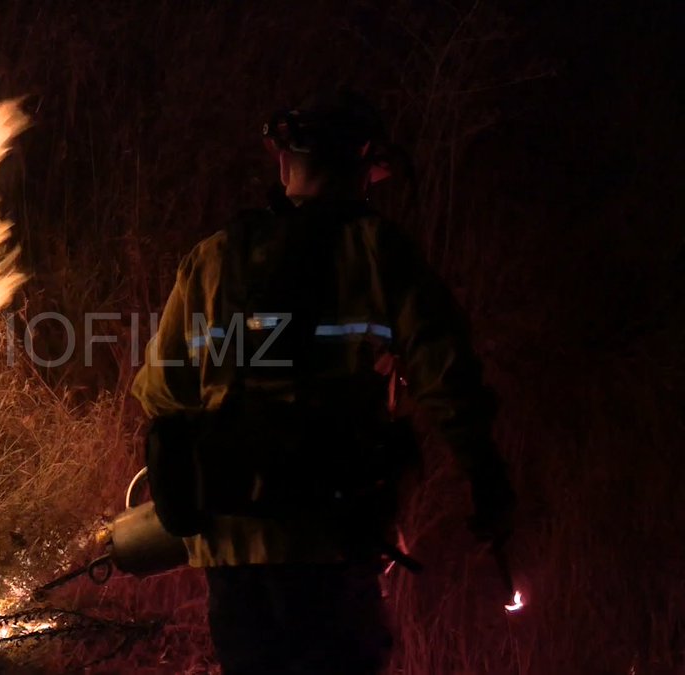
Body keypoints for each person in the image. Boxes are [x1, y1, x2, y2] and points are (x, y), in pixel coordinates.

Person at [130, 89, 516, 674]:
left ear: (283, 160)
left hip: (234, 552)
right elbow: (448, 379)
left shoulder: (212, 260)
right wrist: (486, 479)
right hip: (333, 545)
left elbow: (161, 394)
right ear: (366, 166)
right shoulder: (379, 253)